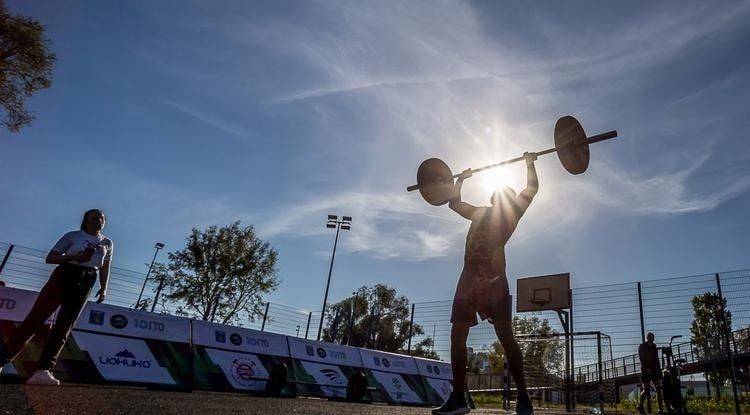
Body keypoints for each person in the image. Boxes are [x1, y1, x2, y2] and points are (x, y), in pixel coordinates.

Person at [432, 153, 538, 415]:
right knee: (457, 335)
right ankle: (458, 398)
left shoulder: (512, 215)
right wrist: (461, 180)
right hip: (468, 279)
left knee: (506, 338)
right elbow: (454, 204)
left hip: (493, 280)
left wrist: (529, 162)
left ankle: (523, 399)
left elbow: (532, 188)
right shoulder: (479, 213)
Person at [0, 209, 112, 385]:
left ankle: (43, 370)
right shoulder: (73, 236)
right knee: (36, 318)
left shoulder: (107, 242)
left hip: (87, 279)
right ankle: (2, 360)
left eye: (101, 218)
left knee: (64, 325)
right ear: (86, 220)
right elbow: (50, 258)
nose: (99, 220)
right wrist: (73, 256)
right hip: (65, 273)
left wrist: (104, 288)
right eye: (95, 218)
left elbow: (105, 266)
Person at [637, 332, 664, 414]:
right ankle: (640, 405)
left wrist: (659, 370)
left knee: (658, 389)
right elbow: (642, 358)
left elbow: (656, 359)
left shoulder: (654, 346)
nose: (652, 338)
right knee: (647, 389)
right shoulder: (642, 346)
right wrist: (646, 368)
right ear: (647, 337)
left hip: (655, 370)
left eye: (653, 337)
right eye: (650, 336)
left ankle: (660, 409)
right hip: (646, 371)